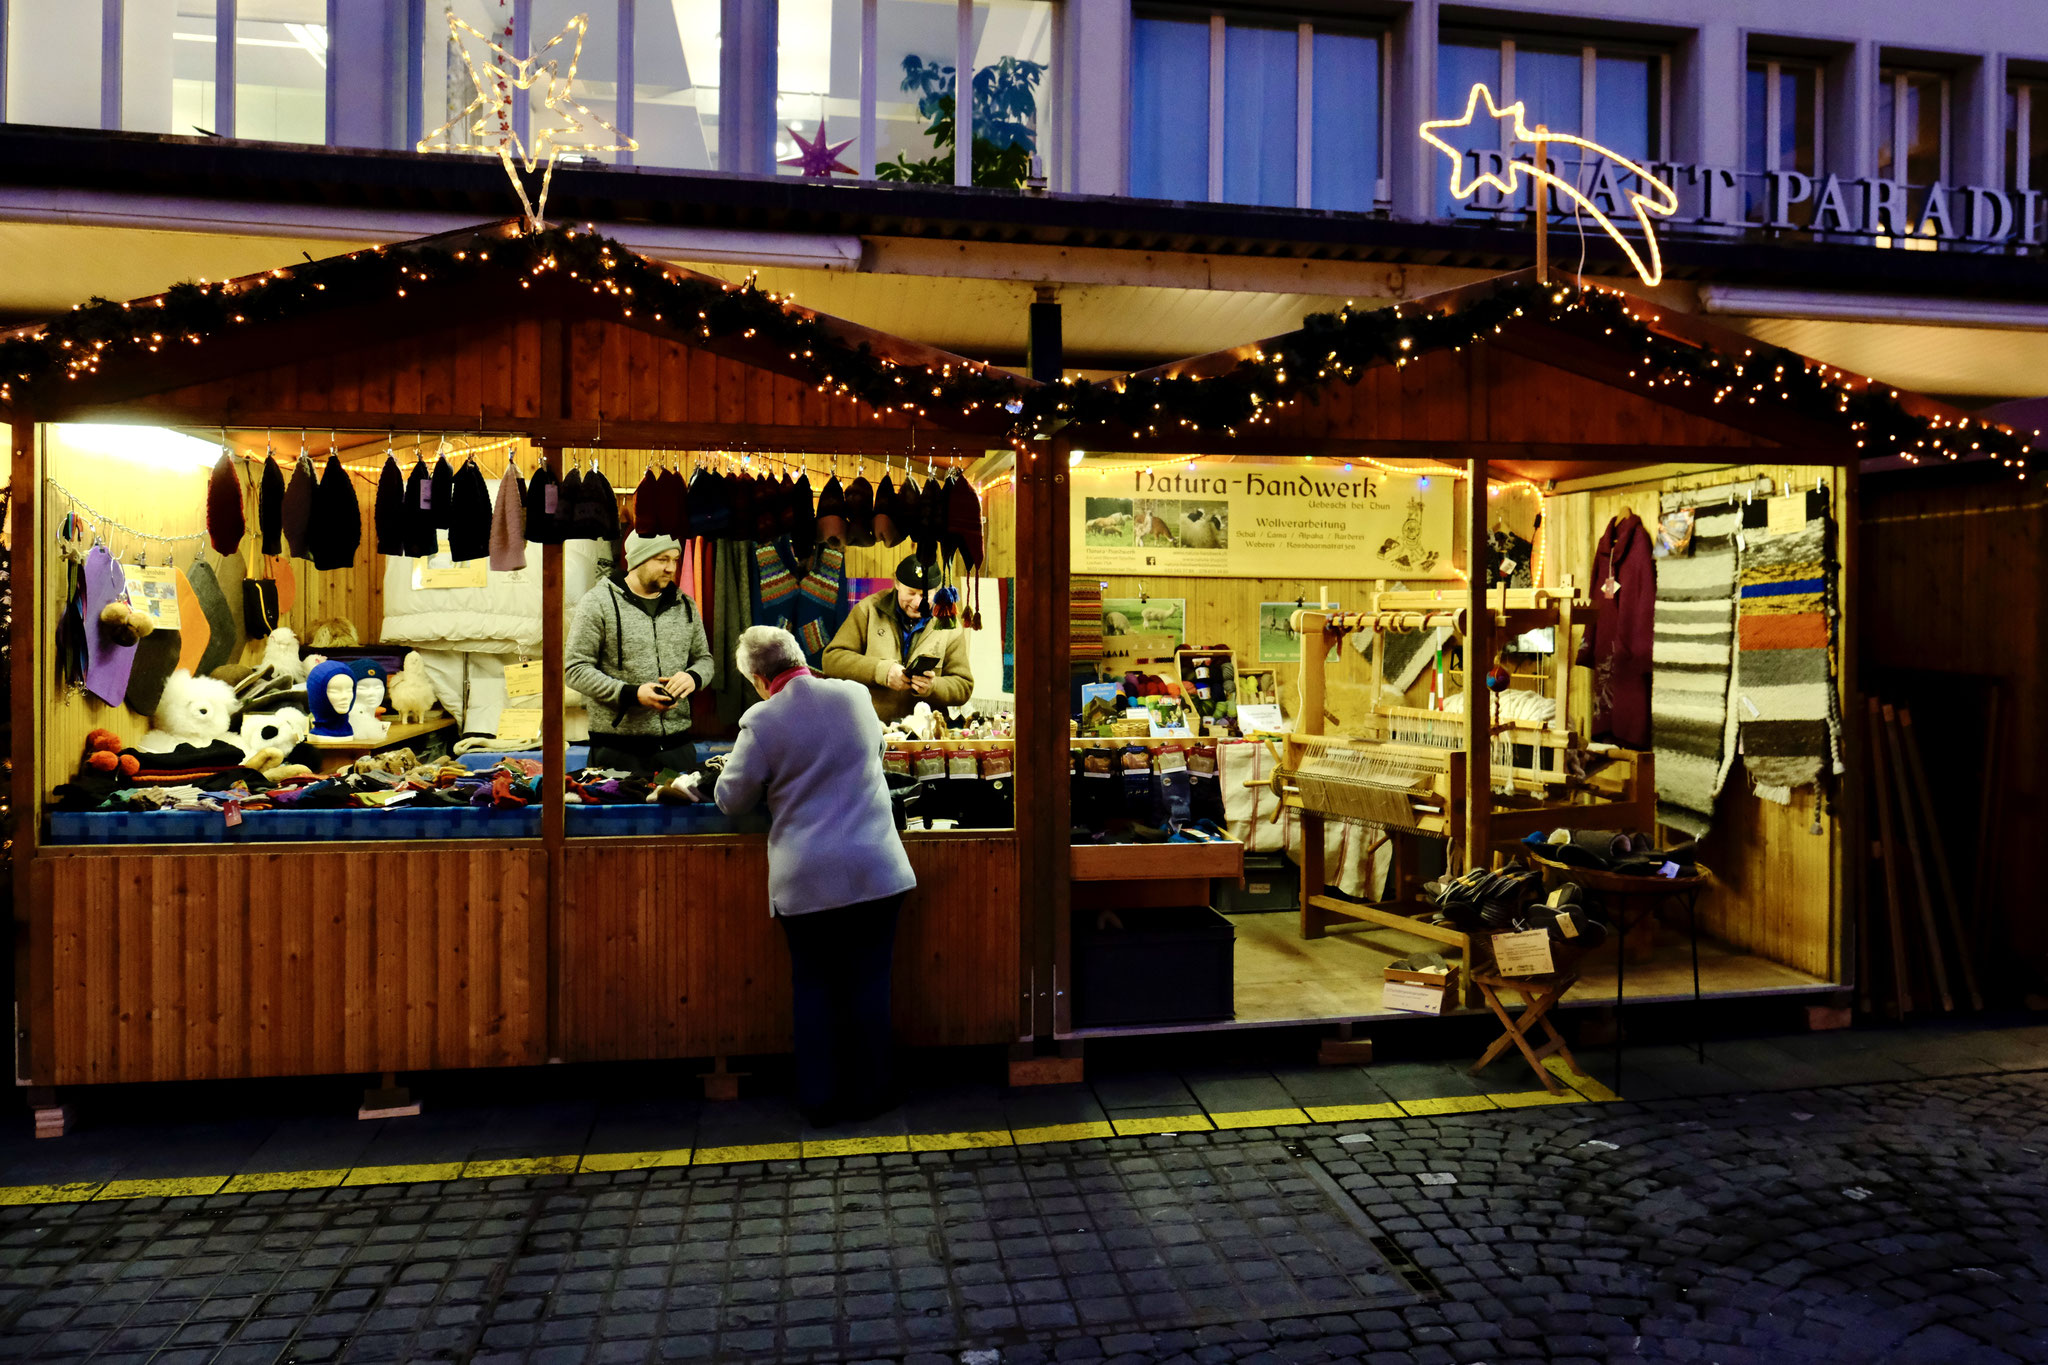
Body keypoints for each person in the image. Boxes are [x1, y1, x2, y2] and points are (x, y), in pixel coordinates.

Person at [690, 625, 917, 1126]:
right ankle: (874, 1092)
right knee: (871, 985)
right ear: (802, 656)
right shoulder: (856, 695)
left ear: (755, 677)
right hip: (878, 871)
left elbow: (731, 800)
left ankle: (820, 1101)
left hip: (809, 882)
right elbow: (875, 757)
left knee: (815, 989)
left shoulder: (762, 721)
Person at [565, 533, 714, 772]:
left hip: (677, 747)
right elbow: (575, 669)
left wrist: (693, 677)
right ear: (637, 559)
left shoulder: (685, 604)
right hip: (617, 751)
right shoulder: (597, 602)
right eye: (662, 559)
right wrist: (630, 694)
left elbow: (704, 659)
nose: (671, 568)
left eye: (675, 560)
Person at [822, 554, 973, 722]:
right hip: (870, 728)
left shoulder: (948, 625)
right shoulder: (868, 610)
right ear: (896, 584)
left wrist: (933, 687)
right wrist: (881, 671)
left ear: (936, 591)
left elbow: (963, 686)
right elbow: (831, 660)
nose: (917, 602)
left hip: (925, 738)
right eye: (911, 593)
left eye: (925, 595)